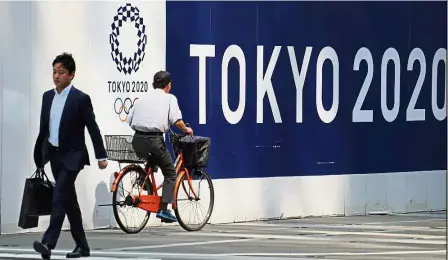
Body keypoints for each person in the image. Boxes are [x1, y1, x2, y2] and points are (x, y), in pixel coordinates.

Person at [32, 53, 108, 259]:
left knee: (58, 196)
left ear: (72, 75)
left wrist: (101, 155)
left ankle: (48, 243)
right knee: (69, 202)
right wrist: (40, 157)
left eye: (61, 72)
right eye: (54, 72)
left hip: (74, 156)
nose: (56, 76)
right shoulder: (47, 97)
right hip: (55, 156)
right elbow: (44, 130)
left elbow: (93, 128)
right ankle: (82, 246)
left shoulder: (80, 99)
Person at [127, 70, 193, 223]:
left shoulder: (142, 99)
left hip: (137, 140)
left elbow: (129, 120)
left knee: (154, 158)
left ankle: (143, 181)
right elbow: (176, 120)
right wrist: (186, 130)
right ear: (168, 86)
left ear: (153, 84)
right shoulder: (170, 98)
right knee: (170, 173)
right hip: (154, 141)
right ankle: (163, 209)